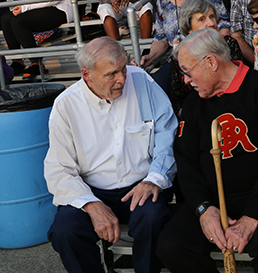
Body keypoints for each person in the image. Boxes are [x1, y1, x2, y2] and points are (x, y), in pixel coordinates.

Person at [156, 29, 258, 273]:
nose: (185, 79)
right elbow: (186, 162)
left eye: (187, 70)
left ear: (211, 62)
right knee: (172, 246)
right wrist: (203, 209)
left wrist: (251, 217)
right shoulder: (194, 103)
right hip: (213, 201)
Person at [45, 37, 177, 273]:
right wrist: (91, 204)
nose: (122, 79)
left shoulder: (142, 81)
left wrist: (155, 179)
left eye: (123, 68)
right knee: (65, 231)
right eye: (111, 74)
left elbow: (167, 132)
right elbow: (59, 169)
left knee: (152, 219)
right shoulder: (66, 105)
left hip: (141, 185)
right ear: (87, 75)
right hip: (91, 191)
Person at [166, 0, 243, 115]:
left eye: (212, 17)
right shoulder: (180, 54)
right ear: (189, 28)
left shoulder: (228, 44)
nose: (211, 23)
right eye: (202, 19)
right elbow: (178, 97)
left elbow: (233, 83)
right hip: (196, 112)